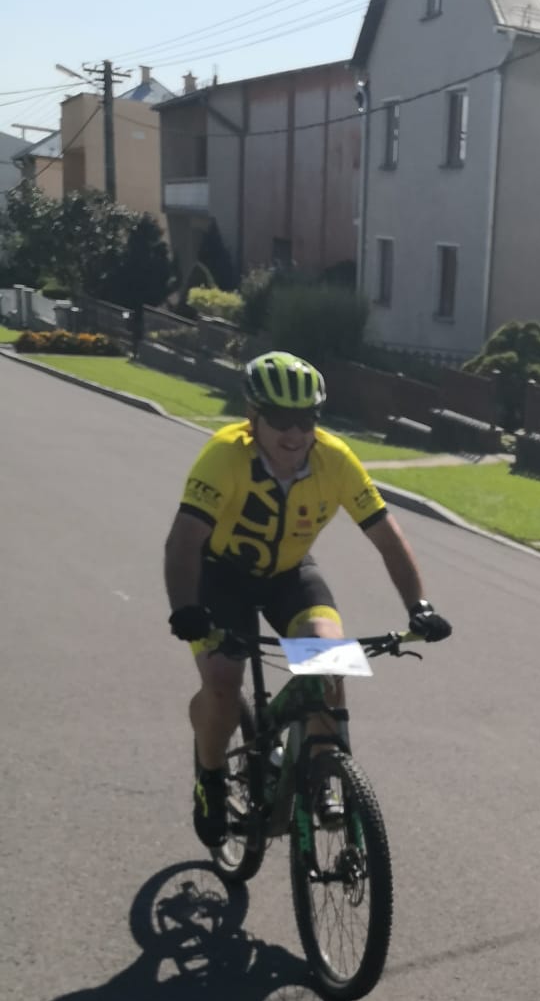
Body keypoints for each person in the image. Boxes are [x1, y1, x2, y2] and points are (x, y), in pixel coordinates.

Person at [164, 352, 452, 848]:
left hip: (289, 574)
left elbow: (387, 537)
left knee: (329, 664)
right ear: (252, 416)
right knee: (223, 683)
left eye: (306, 419)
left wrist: (418, 606)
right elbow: (184, 541)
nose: (295, 433)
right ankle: (211, 777)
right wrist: (185, 608)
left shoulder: (334, 460)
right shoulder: (224, 455)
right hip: (221, 578)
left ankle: (324, 776)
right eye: (280, 419)